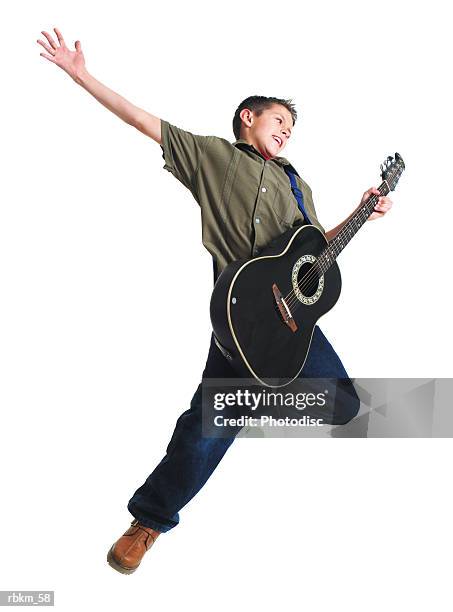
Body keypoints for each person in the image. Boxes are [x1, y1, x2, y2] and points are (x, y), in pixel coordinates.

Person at [37, 27, 394, 575]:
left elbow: (316, 254)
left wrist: (361, 212)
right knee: (206, 433)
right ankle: (149, 522)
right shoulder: (214, 158)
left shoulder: (300, 186)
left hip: (291, 327)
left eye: (293, 129)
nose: (287, 133)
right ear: (248, 117)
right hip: (241, 316)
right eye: (280, 120)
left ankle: (241, 399)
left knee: (343, 405)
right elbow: (141, 120)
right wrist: (80, 73)